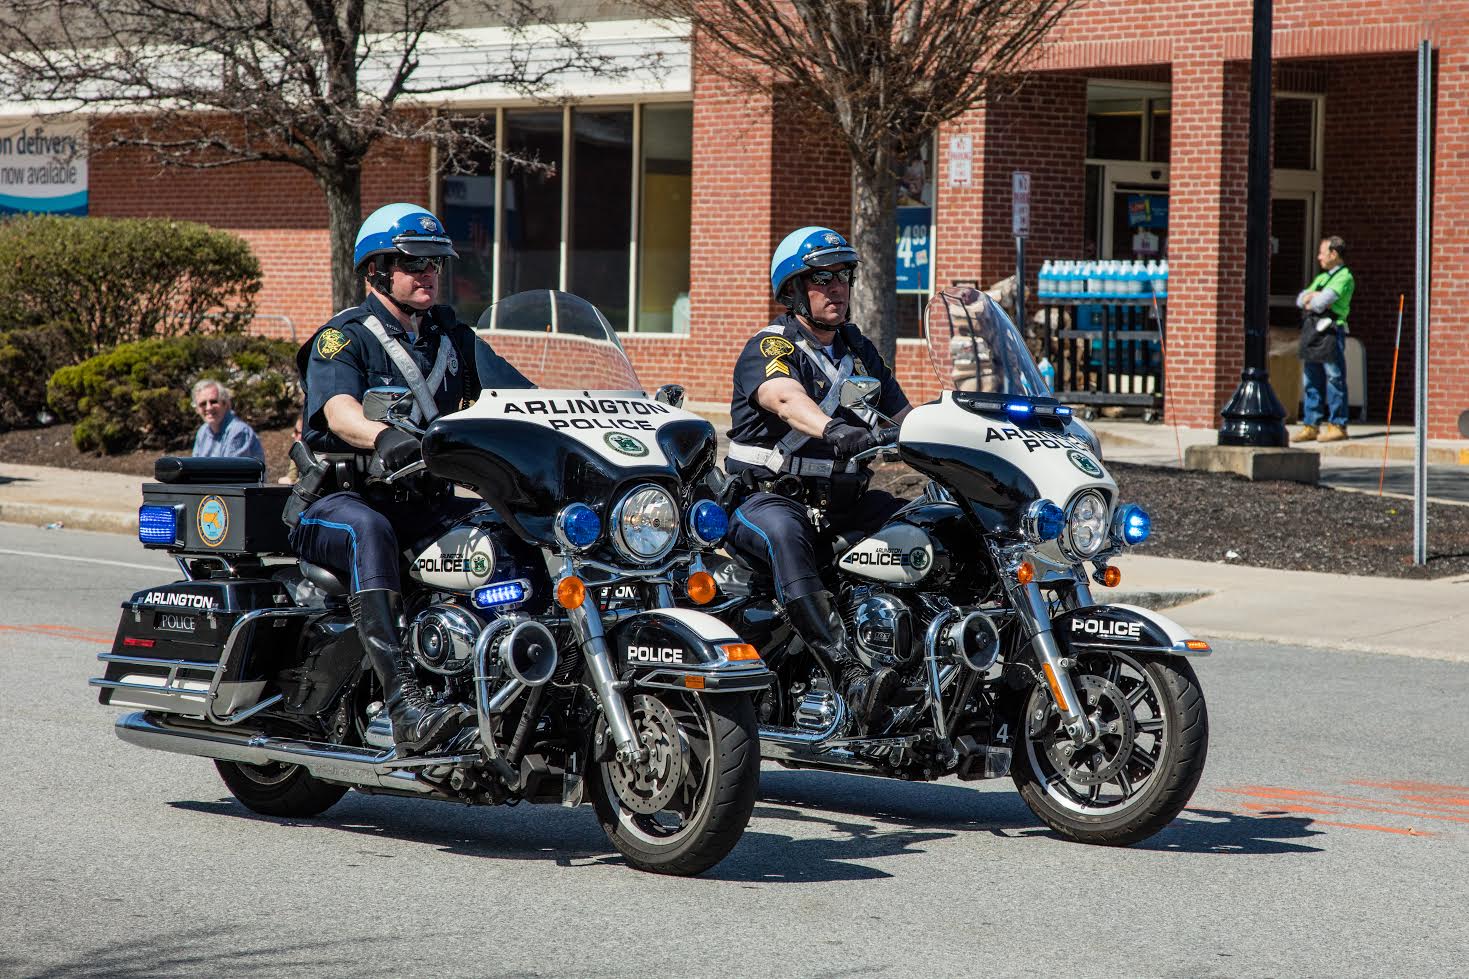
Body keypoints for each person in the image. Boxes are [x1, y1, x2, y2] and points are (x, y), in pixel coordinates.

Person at [289, 202, 531, 755]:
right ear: (377, 270)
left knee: (510, 532)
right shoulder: (344, 337)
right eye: (413, 262)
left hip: (422, 504)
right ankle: (406, 709)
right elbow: (339, 412)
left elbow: (524, 397)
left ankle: (511, 682)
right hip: (339, 503)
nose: (428, 274)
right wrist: (382, 436)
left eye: (435, 263)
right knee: (370, 532)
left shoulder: (450, 338)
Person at [723, 226, 913, 735]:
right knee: (787, 536)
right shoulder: (771, 346)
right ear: (792, 289)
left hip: (840, 503)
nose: (837, 287)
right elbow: (784, 398)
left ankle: (920, 659)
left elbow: (904, 416)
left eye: (843, 276)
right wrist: (832, 429)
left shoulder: (857, 349)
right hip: (765, 500)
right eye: (821, 277)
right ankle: (847, 671)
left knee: (925, 525)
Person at [1293, 235, 1355, 444]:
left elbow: (1320, 303)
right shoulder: (1323, 277)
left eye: (1322, 252)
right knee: (1311, 378)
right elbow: (1300, 299)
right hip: (1313, 332)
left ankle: (1337, 424)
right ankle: (1311, 424)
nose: (1319, 257)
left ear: (1334, 254)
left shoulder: (1344, 277)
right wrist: (1311, 298)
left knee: (1334, 378)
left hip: (1330, 332)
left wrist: (1314, 298)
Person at [190, 379, 266, 465]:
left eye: (213, 401)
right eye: (203, 404)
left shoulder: (238, 431)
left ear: (225, 404)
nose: (208, 408)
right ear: (197, 409)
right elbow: (194, 466)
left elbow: (229, 474)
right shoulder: (202, 432)